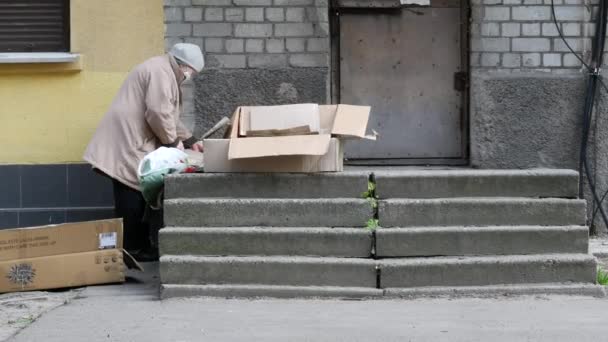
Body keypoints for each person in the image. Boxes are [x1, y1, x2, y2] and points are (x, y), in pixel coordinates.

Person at [83, 43, 205, 261]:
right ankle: (131, 249)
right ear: (185, 66)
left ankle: (136, 248)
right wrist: (172, 142)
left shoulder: (163, 69)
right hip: (127, 142)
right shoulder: (161, 72)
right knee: (130, 193)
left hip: (131, 140)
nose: (190, 77)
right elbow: (158, 112)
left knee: (135, 192)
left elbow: (168, 114)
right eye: (191, 73)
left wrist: (189, 139)